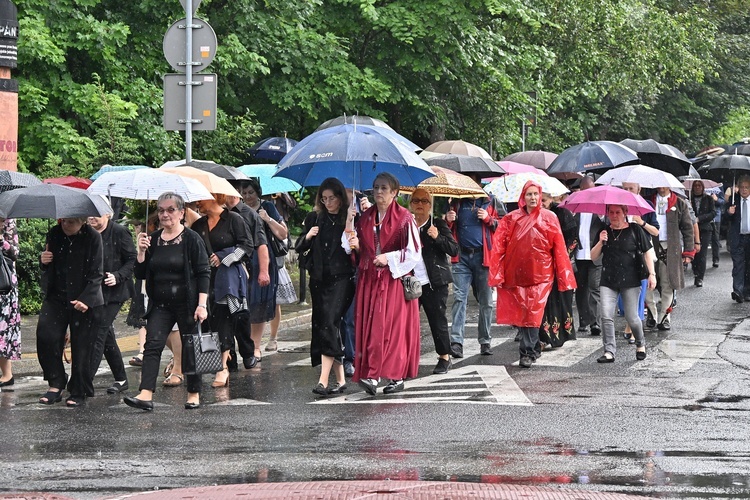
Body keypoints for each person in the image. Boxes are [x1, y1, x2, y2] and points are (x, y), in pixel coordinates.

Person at [124, 192, 210, 411]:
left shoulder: (191, 238)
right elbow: (141, 273)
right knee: (152, 345)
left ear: (181, 213)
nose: (165, 214)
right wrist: (141, 253)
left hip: (187, 303)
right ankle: (145, 393)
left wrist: (202, 305)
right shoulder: (152, 239)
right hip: (160, 304)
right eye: (161, 210)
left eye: (171, 210)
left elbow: (203, 272)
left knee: (191, 347)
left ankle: (193, 393)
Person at [345, 172, 427, 395]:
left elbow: (413, 252)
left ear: (394, 193)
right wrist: (356, 244)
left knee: (391, 329)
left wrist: (388, 258)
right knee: (371, 328)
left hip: (393, 281)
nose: (379, 192)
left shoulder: (405, 218)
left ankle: (395, 376)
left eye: (384, 188)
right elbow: (364, 252)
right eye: (376, 187)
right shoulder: (366, 218)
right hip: (369, 281)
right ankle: (372, 375)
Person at [489, 181, 576, 368]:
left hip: (542, 274)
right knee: (523, 313)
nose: (533, 198)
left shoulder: (550, 217)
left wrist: (563, 274)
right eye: (529, 194)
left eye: (536, 194)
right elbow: (499, 246)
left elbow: (559, 247)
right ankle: (533, 346)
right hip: (517, 273)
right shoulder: (511, 219)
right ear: (523, 197)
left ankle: (527, 352)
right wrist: (498, 271)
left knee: (533, 313)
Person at [295, 177, 356, 395]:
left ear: (341, 197)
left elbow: (357, 249)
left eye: (332, 198)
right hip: (319, 279)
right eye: (324, 199)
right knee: (325, 326)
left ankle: (322, 380)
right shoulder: (315, 218)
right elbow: (298, 246)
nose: (328, 202)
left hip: (342, 279)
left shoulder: (348, 218)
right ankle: (340, 380)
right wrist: (309, 236)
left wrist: (351, 225)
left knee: (330, 323)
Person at [37, 217, 104, 407]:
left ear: (83, 221)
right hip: (57, 296)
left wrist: (87, 299)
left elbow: (97, 271)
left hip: (84, 296)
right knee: (46, 335)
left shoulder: (93, 237)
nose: (66, 225)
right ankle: (56, 382)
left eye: (72, 221)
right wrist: (44, 260)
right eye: (64, 220)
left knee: (82, 346)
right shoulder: (54, 233)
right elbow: (48, 266)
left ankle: (78, 389)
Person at [191, 193, 254, 388]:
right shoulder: (198, 226)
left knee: (227, 319)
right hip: (205, 280)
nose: (197, 203)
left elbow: (247, 246)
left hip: (229, 279)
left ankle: (224, 367)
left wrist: (223, 256)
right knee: (211, 321)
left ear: (214, 198)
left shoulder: (234, 219)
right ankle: (227, 358)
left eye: (201, 199)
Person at [445, 174, 503, 358]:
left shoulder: (491, 201)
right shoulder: (456, 202)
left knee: (486, 301)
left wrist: (488, 219)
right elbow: (447, 228)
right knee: (459, 299)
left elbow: (504, 226)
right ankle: (456, 342)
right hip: (461, 257)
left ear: (479, 184)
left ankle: (485, 341)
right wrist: (448, 219)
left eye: (474, 182)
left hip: (484, 258)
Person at [590, 204, 656, 362]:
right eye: (611, 212)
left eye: (617, 212)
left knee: (632, 317)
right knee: (606, 315)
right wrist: (600, 242)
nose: (614, 215)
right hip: (608, 280)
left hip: (631, 280)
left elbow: (647, 252)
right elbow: (593, 257)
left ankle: (640, 344)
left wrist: (652, 274)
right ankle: (609, 351)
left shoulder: (635, 230)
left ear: (625, 212)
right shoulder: (604, 231)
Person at [409, 188, 458, 374]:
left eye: (424, 201)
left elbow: (453, 249)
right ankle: (406, 358)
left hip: (434, 281)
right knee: (408, 322)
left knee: (437, 319)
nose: (420, 204)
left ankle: (444, 356)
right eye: (416, 201)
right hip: (410, 283)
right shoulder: (407, 224)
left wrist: (438, 237)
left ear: (430, 205)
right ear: (411, 204)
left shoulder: (437, 223)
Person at [87, 211, 136, 394]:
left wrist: (118, 276)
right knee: (106, 335)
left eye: (96, 214)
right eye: (89, 215)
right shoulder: (87, 233)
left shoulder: (120, 232)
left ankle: (85, 381)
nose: (91, 218)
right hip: (95, 292)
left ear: (108, 214)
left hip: (116, 292)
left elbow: (132, 260)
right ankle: (122, 379)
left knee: (98, 331)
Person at [240, 179, 279, 364]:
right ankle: (246, 344)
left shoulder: (268, 207)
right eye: (244, 193)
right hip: (245, 258)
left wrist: (268, 219)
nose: (247, 196)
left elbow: (284, 233)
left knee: (259, 301)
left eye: (250, 192)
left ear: (258, 192)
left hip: (263, 257)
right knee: (246, 301)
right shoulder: (238, 210)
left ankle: (256, 346)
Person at [645, 186, 695, 329]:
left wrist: (688, 252)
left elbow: (687, 228)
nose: (661, 187)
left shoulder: (679, 203)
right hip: (650, 244)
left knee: (668, 283)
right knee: (649, 282)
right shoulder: (648, 202)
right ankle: (651, 314)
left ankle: (664, 317)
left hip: (671, 246)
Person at [620, 182, 660, 343]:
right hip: (622, 254)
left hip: (642, 254)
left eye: (631, 188)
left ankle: (632, 327)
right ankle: (630, 320)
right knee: (623, 297)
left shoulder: (646, 205)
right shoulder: (619, 204)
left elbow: (655, 231)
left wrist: (640, 222)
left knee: (638, 292)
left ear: (639, 189)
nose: (628, 191)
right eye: (625, 188)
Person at [539, 193, 578, 348]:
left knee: (560, 300)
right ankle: (543, 337)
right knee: (543, 301)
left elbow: (573, 239)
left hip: (561, 264)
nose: (541, 203)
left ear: (552, 199)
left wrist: (561, 256)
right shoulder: (533, 215)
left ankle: (558, 336)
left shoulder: (563, 213)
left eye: (544, 200)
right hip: (541, 264)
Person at [573, 176, 606, 336]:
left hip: (595, 255)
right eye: (584, 190)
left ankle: (595, 322)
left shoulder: (600, 208)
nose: (587, 193)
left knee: (594, 288)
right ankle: (583, 320)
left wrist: (602, 216)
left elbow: (606, 225)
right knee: (580, 289)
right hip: (579, 255)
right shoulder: (576, 209)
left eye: (590, 190)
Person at [0, 218, 20, 388]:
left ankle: (7, 374)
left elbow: (15, 253)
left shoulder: (8, 221)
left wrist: (1, 239)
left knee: (3, 329)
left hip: (3, 284)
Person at [726, 177, 750, 303]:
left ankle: (747, 291)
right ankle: (738, 291)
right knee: (738, 265)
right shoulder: (733, 200)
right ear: (738, 188)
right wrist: (729, 212)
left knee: (748, 266)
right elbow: (726, 219)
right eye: (742, 187)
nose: (744, 190)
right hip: (738, 237)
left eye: (747, 187)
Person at [690, 181, 716, 287]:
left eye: (699, 185)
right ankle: (695, 271)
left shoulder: (709, 199)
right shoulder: (688, 200)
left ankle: (700, 277)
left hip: (705, 229)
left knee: (702, 254)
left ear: (703, 187)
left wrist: (700, 218)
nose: (697, 188)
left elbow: (713, 213)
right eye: (695, 186)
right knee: (693, 253)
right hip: (691, 230)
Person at [705, 184, 724, 268]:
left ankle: (716, 259)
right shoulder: (704, 185)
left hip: (716, 216)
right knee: (703, 239)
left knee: (715, 238)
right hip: (705, 215)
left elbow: (722, 201)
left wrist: (716, 200)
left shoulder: (719, 186)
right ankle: (701, 260)